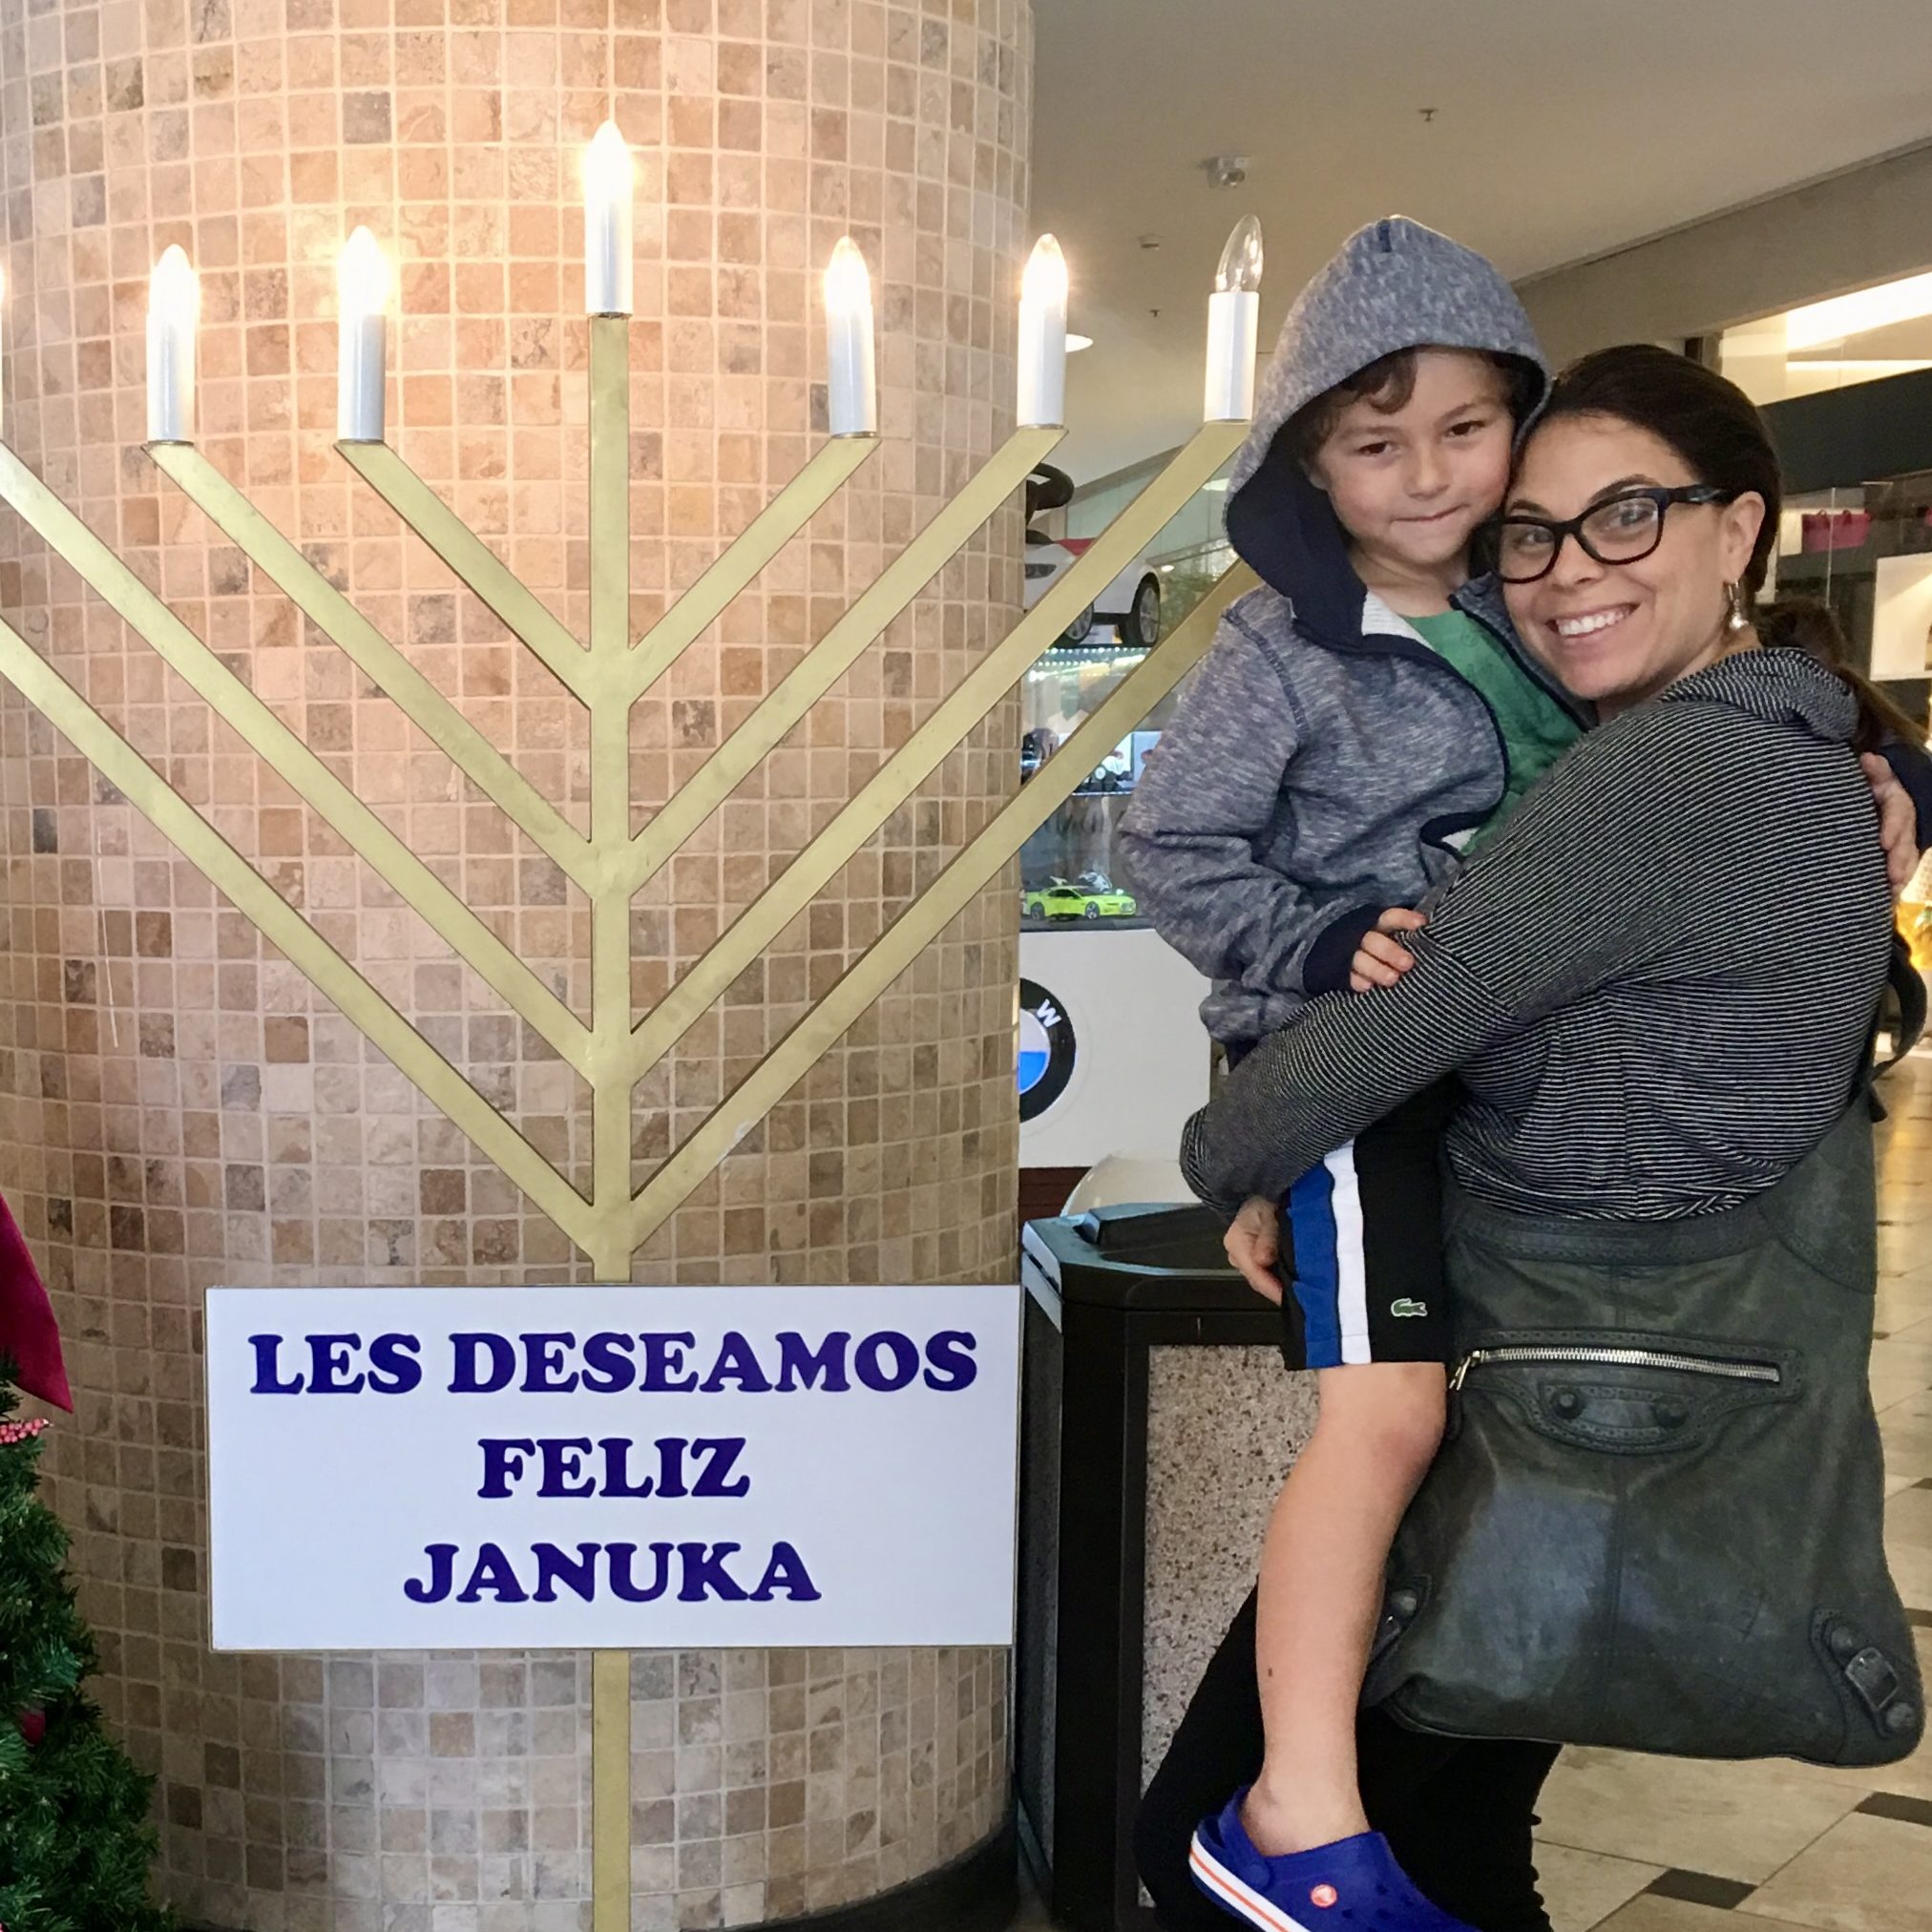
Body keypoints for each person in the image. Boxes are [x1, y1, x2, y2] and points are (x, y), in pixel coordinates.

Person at [1145, 345, 1919, 1932]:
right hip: (1608, 1398)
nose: (1568, 573)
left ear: (1741, 529)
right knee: (1461, 1846)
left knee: (1214, 1851)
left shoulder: (1667, 774)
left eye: (1628, 517)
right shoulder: (1780, 754)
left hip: (1547, 1395)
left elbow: (1395, 1029)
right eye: (1537, 534)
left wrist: (1239, 1151)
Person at [1118, 218, 1584, 1925]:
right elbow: (1171, 849)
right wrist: (1314, 943)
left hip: (1533, 1084)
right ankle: (1293, 1807)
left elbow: (1728, 724)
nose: (1426, 475)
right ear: (1310, 455)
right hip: (1360, 1065)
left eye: (1466, 429)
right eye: (1375, 442)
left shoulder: (1553, 602)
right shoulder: (1274, 651)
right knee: (1385, 1408)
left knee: (1494, 1428)